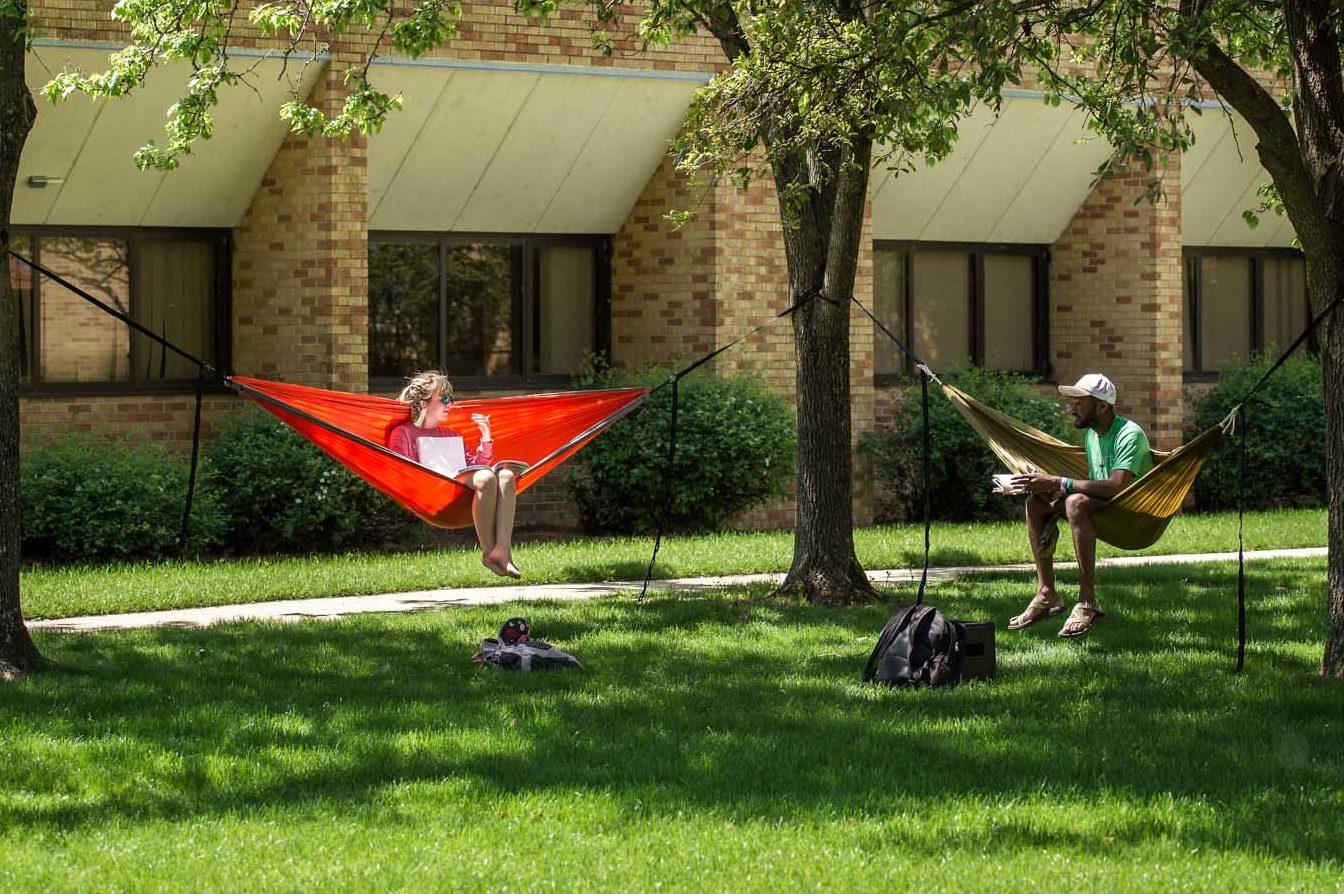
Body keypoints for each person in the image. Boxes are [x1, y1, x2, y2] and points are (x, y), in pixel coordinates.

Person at [1007, 373, 1154, 637]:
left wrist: (1061, 483)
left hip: (1132, 512)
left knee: (1074, 502)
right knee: (1036, 503)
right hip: (1105, 505)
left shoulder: (1129, 434)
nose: (1071, 407)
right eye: (1072, 401)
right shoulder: (1092, 436)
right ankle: (1046, 592)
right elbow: (1092, 484)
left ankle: (1087, 601)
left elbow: (1117, 487)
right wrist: (1049, 489)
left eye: (1079, 402)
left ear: (1101, 406)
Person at [387, 371, 522, 579]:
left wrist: (486, 437)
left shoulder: (450, 435)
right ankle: (489, 553)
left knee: (506, 476)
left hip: (461, 489)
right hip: (433, 492)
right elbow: (398, 469)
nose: (450, 404)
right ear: (423, 403)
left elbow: (477, 465)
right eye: (444, 399)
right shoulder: (403, 433)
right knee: (486, 477)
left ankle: (502, 551)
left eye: (450, 399)